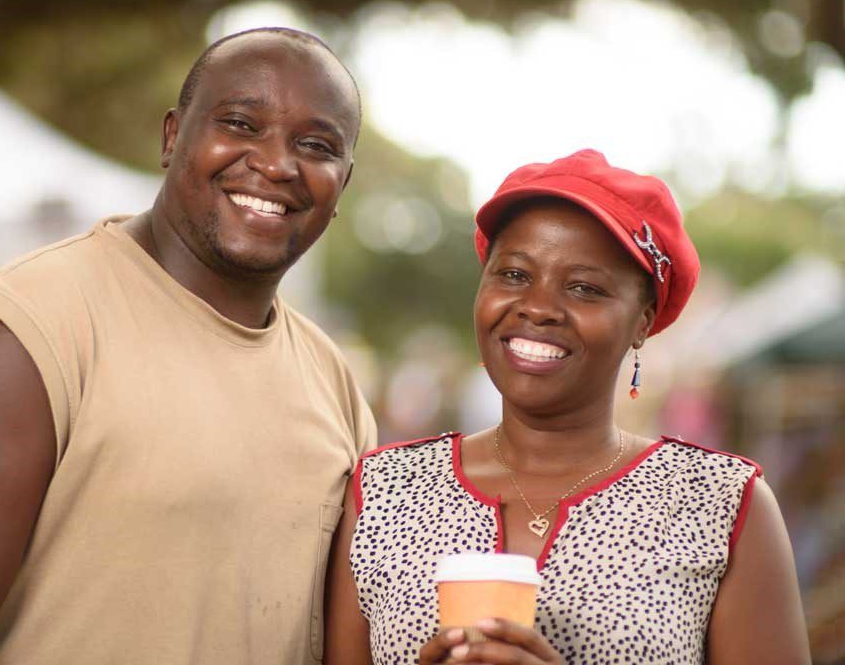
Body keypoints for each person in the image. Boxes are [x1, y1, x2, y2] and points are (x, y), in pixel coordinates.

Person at [0, 27, 376, 665]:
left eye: (316, 145)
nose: (277, 164)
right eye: (241, 124)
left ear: (342, 183)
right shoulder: (27, 330)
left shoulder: (334, 384)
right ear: (172, 137)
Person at [324, 150, 810, 665]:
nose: (537, 308)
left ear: (643, 321)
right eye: (514, 275)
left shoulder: (720, 503)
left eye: (584, 288)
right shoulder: (385, 490)